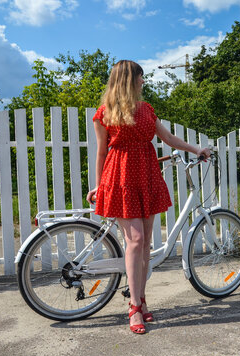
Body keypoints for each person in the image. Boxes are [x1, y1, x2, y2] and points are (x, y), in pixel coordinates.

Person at [86, 60, 211, 335]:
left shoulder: (146, 110)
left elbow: (167, 138)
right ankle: (132, 307)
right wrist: (99, 186)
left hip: (147, 174)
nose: (144, 82)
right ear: (129, 79)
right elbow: (101, 153)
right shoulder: (104, 113)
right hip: (120, 178)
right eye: (141, 77)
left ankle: (141, 300)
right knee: (136, 240)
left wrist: (195, 149)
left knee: (144, 247)